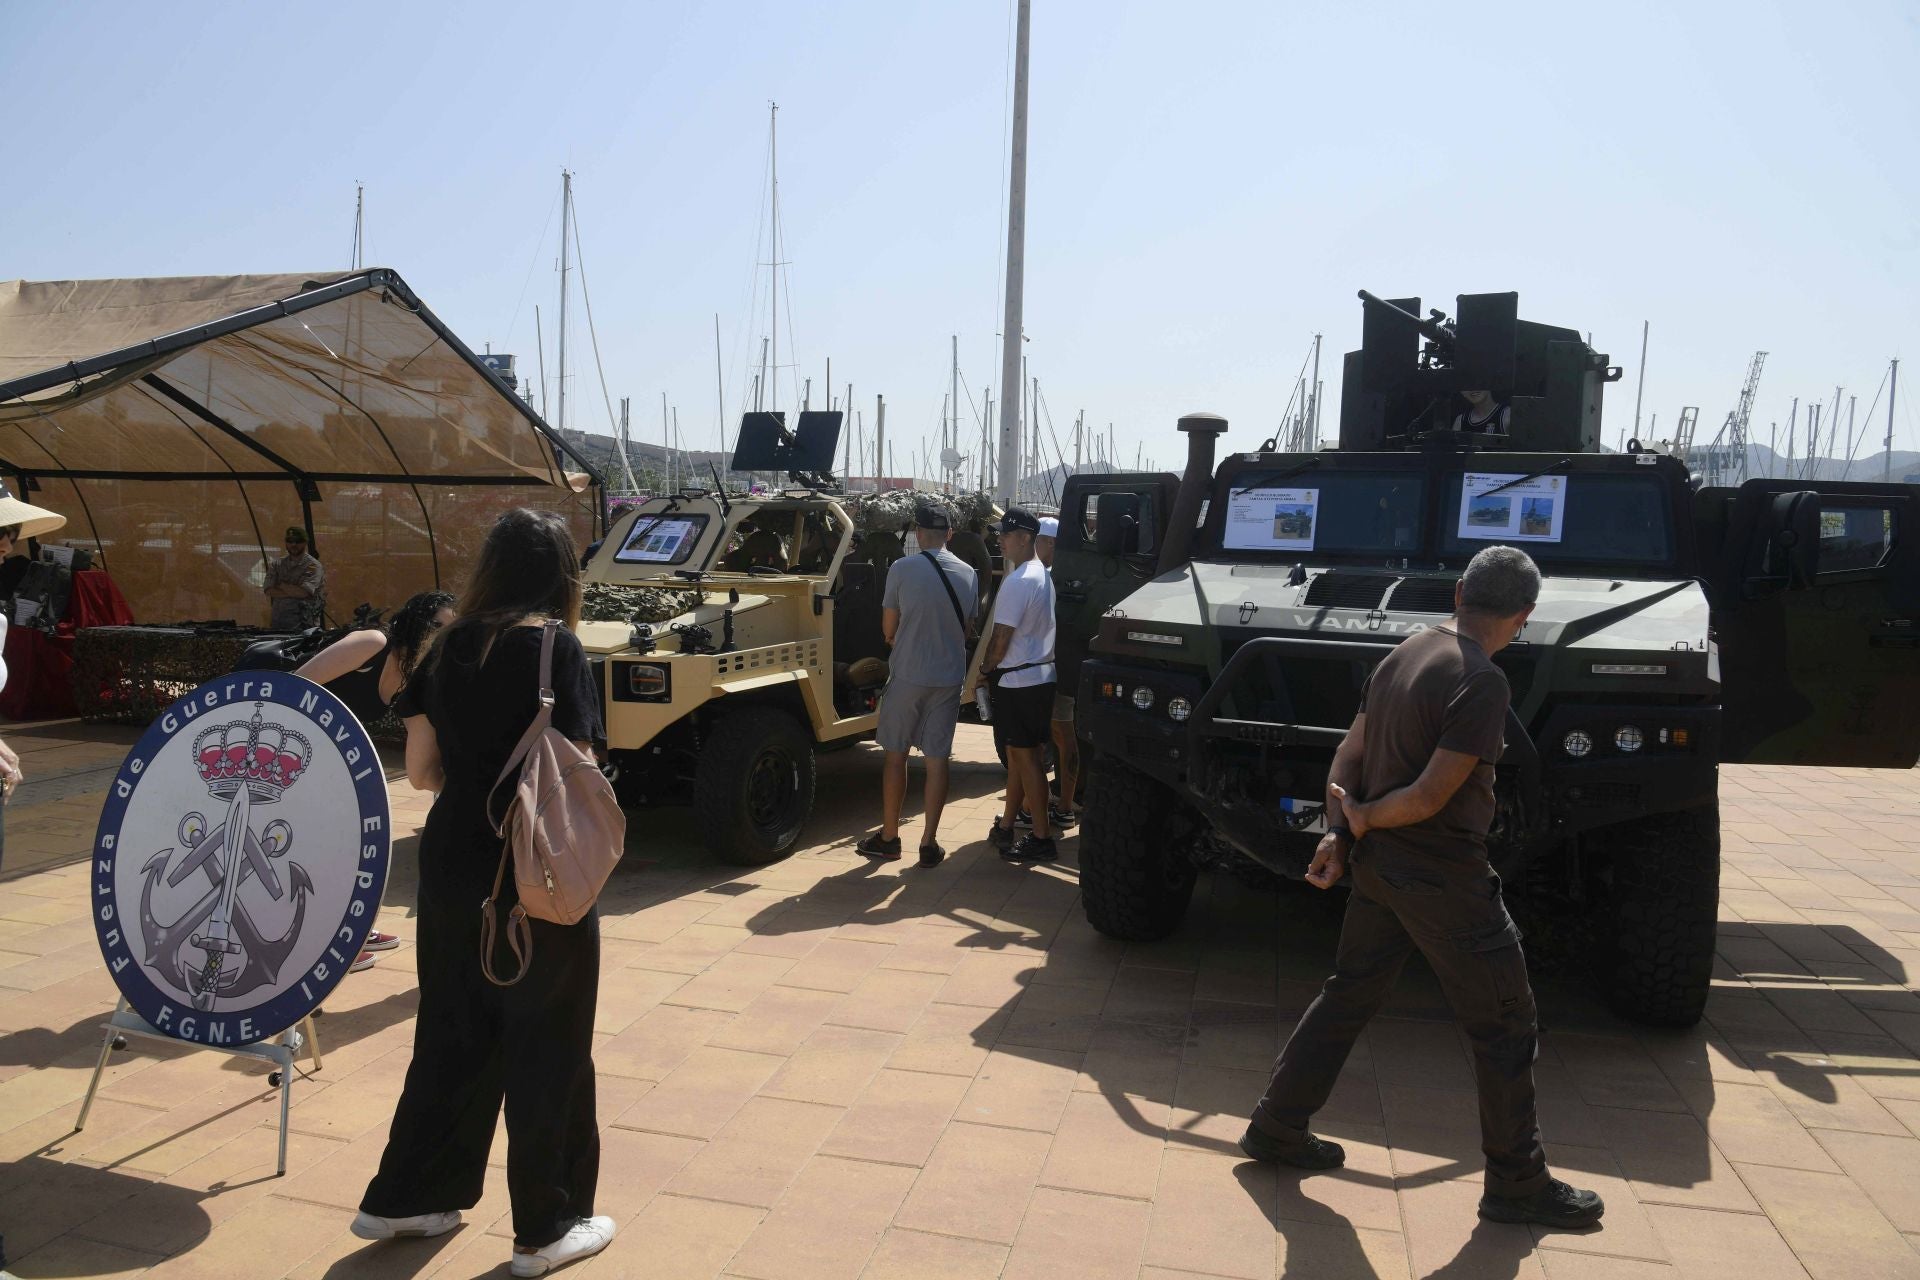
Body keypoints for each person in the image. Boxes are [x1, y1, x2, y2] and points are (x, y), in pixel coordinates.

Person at [1240, 546, 1603, 1229]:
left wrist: (1341, 832)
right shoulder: (1483, 681)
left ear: (1460, 591)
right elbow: (1432, 795)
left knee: (1350, 991)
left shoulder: (1405, 651)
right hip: (1442, 877)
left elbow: (1349, 753)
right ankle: (1518, 1182)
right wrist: (1364, 818)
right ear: (1524, 615)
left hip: (1381, 869)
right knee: (1506, 1022)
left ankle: (1278, 1125)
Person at [355, 510, 615, 1276]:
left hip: (449, 863)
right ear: (560, 575)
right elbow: (575, 766)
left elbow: (423, 773)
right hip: (534, 866)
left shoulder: (447, 646)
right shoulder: (556, 650)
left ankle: (407, 1197)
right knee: (550, 1041)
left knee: (451, 1027)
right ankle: (546, 1225)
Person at [295, 590, 456, 974]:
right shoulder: (372, 643)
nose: (443, 636)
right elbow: (294, 688)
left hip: (330, 765)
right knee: (320, 852)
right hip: (295, 754)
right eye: (438, 626)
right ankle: (324, 945)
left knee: (352, 846)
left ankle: (350, 931)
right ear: (416, 621)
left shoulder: (413, 672)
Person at [855, 501, 977, 867]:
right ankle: (929, 843)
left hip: (908, 674)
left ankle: (890, 837)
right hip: (949, 677)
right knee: (938, 760)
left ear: (919, 533)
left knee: (896, 756)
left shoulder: (902, 569)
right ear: (949, 534)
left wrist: (899, 639)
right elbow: (967, 630)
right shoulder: (969, 573)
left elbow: (888, 628)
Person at [981, 507, 1057, 863]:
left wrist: (985, 669)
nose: (1000, 540)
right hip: (1038, 676)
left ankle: (1041, 837)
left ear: (1025, 538)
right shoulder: (1041, 574)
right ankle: (1008, 824)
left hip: (1019, 680)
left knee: (1027, 760)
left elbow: (1001, 638)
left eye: (1006, 534)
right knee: (1020, 756)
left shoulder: (1019, 580)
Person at [1031, 516, 1080, 830]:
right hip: (1064, 667)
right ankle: (1063, 805)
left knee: (1046, 738)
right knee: (1063, 737)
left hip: (1048, 670)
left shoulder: (1046, 577)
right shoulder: (1070, 576)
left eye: (1036, 540)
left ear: (1049, 543)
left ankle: (1045, 807)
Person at [264, 526, 326, 631]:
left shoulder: (313, 566)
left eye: (298, 541)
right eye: (290, 541)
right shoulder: (277, 564)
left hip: (304, 627)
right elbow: (268, 590)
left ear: (305, 542)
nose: (293, 545)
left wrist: (281, 585)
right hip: (278, 625)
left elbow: (303, 592)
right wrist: (294, 590)